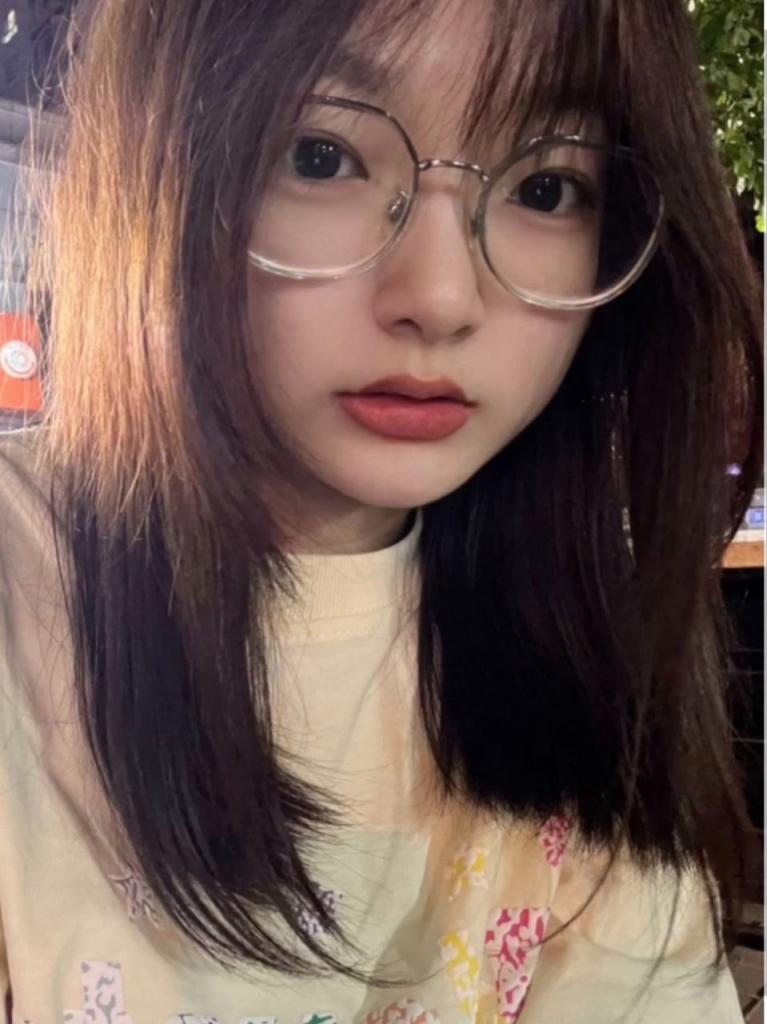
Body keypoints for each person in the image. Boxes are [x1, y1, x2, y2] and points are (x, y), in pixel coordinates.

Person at [0, 0, 761, 1020]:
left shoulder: (587, 641)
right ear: (155, 163)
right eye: (319, 156)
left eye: (544, 186)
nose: (440, 297)